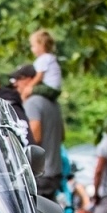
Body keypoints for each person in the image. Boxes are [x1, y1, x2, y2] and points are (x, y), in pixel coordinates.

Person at [12, 63, 66, 199]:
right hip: (55, 172)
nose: (15, 84)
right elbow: (62, 136)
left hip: (40, 175)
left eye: (19, 79)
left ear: (31, 79)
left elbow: (33, 138)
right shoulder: (54, 103)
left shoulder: (32, 102)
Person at [29, 29, 63, 98]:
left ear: (42, 46)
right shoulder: (50, 57)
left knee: (27, 91)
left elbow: (39, 77)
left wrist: (29, 85)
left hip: (49, 88)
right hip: (56, 89)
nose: (31, 49)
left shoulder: (43, 59)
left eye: (33, 46)